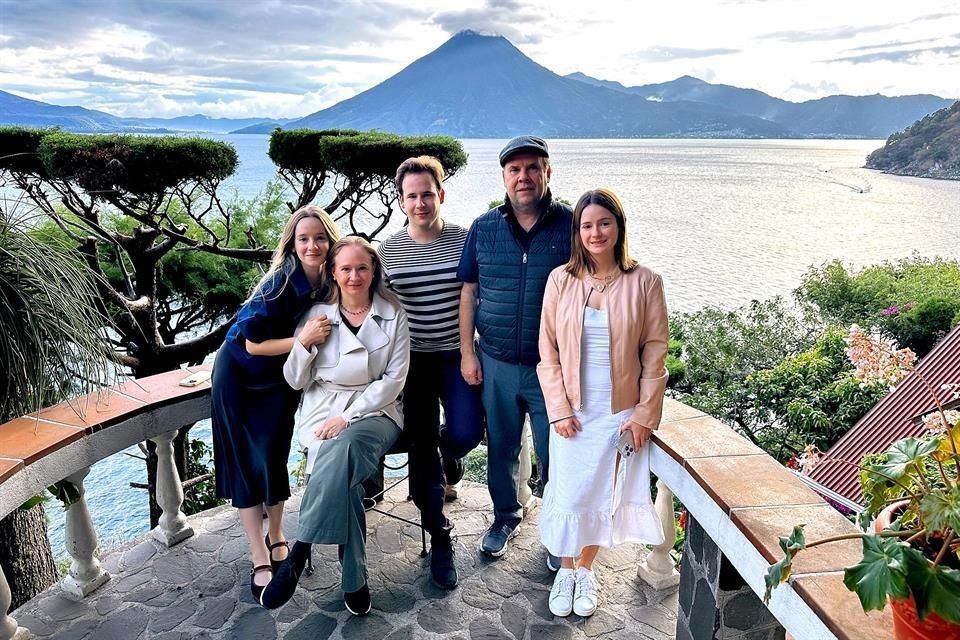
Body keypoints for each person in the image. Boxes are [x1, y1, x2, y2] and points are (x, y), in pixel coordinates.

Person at [537, 188, 669, 618]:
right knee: (570, 494)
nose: (595, 232)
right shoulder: (561, 279)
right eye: (586, 225)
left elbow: (654, 353)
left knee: (598, 496)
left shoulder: (645, 282)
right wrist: (558, 408)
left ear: (618, 227)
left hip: (618, 413)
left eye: (603, 223)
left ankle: (585, 571)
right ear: (577, 231)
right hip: (572, 411)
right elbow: (548, 351)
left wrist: (644, 414)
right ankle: (565, 570)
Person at [262, 236, 410, 616]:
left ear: (374, 270)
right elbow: (295, 380)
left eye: (362, 268)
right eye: (345, 268)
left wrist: (347, 416)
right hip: (321, 409)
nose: (354, 276)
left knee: (339, 445)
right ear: (333, 272)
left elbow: (393, 381)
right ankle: (354, 580)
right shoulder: (317, 314)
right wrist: (304, 344)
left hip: (377, 412)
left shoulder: (394, 315)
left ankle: (300, 549)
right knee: (343, 474)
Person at [211, 205, 340, 604]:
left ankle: (277, 532)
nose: (312, 245)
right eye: (303, 238)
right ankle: (257, 552)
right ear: (293, 243)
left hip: (280, 380)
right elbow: (252, 343)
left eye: (319, 237)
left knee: (273, 457)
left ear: (330, 241)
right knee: (246, 466)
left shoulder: (330, 280)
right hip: (239, 377)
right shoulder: (280, 283)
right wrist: (303, 339)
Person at [457, 135, 572, 565]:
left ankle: (558, 532)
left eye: (532, 168)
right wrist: (467, 353)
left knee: (554, 452)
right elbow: (468, 292)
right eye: (514, 169)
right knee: (502, 446)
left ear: (547, 172)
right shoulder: (484, 228)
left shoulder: (572, 225)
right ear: (504, 176)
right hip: (497, 360)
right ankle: (505, 516)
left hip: (552, 368)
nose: (523, 177)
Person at [377, 156, 484, 589]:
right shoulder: (388, 250)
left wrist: (467, 352)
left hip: (456, 354)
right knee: (421, 444)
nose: (420, 203)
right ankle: (440, 534)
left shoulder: (463, 241)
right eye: (411, 196)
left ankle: (446, 455)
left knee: (465, 433)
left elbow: (473, 297)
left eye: (427, 194)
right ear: (401, 201)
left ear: (441, 194)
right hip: (412, 362)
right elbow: (377, 307)